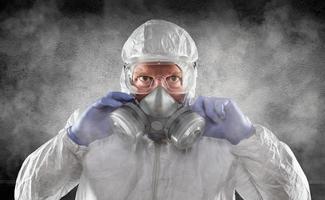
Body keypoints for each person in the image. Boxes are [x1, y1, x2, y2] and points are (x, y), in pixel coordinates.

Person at [15, 19, 311, 200]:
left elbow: (293, 197)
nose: (159, 92)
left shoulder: (221, 140)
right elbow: (28, 194)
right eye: (145, 78)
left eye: (172, 78)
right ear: (128, 78)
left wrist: (249, 139)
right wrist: (73, 141)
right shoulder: (93, 129)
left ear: (190, 79)